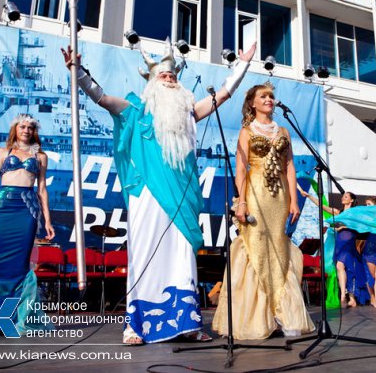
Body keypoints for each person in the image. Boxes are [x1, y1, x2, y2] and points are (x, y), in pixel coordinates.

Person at [62, 41, 254, 344]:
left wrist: (241, 66)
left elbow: (223, 95)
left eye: (173, 77)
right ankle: (136, 325)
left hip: (181, 195)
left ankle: (186, 323)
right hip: (148, 195)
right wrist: (78, 72)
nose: (169, 79)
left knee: (181, 254)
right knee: (144, 253)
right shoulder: (136, 110)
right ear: (151, 82)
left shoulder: (189, 112)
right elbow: (102, 98)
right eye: (163, 77)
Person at [212, 83, 315, 339]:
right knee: (256, 248)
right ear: (252, 103)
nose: (269, 99)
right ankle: (256, 318)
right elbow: (240, 169)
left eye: (271, 96)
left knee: (279, 249)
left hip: (279, 196)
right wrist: (242, 201)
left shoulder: (284, 131)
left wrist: (294, 201)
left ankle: (282, 314)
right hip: (255, 192)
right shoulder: (246, 131)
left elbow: (290, 167)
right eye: (263, 96)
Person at [0, 114, 56, 336]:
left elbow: (42, 190)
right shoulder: (2, 153)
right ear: (15, 129)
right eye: (22, 126)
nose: (26, 130)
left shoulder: (41, 157)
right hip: (2, 208)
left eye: (30, 127)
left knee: (19, 267)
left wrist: (47, 219)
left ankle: (12, 322)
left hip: (26, 210)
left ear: (34, 130)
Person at [298, 188, 368, 308]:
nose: (343, 198)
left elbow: (358, 226)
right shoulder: (338, 213)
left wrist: (341, 227)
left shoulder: (354, 214)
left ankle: (347, 297)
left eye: (346, 196)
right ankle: (346, 297)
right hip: (340, 244)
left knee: (345, 268)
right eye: (343, 196)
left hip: (348, 245)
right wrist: (309, 196)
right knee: (341, 267)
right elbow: (322, 206)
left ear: (351, 200)